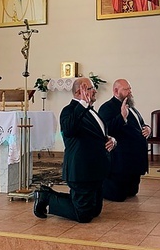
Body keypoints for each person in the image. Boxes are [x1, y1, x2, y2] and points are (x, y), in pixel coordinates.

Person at [33, 77, 116, 223]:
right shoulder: (69, 111)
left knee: (94, 211)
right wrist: (83, 104)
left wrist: (111, 140)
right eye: (91, 88)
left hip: (95, 170)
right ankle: (46, 197)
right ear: (79, 92)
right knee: (83, 215)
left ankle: (47, 194)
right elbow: (69, 130)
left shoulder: (91, 111)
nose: (95, 91)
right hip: (81, 170)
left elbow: (97, 134)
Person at [98, 79, 151, 201]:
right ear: (116, 91)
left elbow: (140, 124)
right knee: (118, 196)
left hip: (134, 160)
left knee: (132, 192)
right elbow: (106, 130)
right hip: (120, 160)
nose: (130, 92)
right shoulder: (107, 107)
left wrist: (148, 128)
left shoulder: (131, 107)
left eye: (130, 88)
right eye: (126, 89)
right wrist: (122, 117)